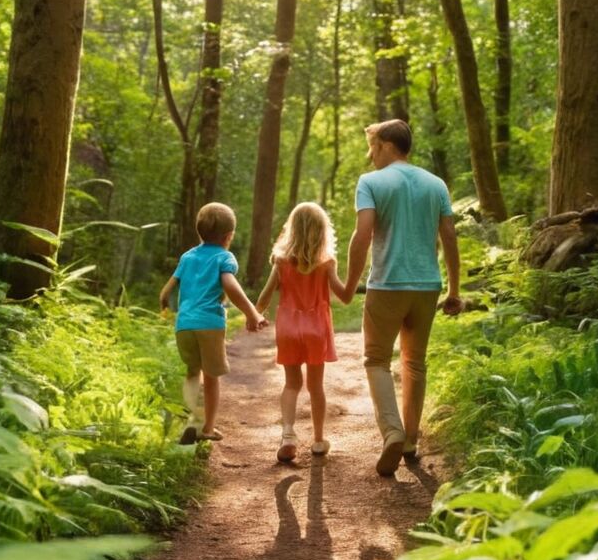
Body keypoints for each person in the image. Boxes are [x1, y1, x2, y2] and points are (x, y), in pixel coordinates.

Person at [343, 119, 462, 476]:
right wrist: (455, 290)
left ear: (384, 144)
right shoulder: (435, 183)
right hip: (428, 286)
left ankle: (392, 431)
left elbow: (362, 236)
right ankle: (410, 439)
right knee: (415, 362)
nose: (370, 154)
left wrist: (350, 283)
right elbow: (450, 237)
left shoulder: (372, 183)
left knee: (376, 360)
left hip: (387, 286)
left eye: (372, 147)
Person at [159, 201, 266, 445]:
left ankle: (192, 421)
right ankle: (206, 427)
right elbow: (230, 285)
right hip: (209, 323)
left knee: (192, 372)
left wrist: (165, 310)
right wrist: (252, 313)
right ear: (229, 236)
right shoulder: (223, 257)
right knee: (212, 376)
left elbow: (166, 292)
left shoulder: (187, 257)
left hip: (184, 325)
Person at [256, 202, 349, 463]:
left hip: (287, 327)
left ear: (291, 230)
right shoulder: (326, 263)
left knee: (291, 384)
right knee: (315, 385)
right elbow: (343, 296)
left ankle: (288, 435)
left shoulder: (281, 261)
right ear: (322, 232)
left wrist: (255, 316)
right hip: (316, 328)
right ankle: (318, 440)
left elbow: (264, 297)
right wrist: (352, 283)